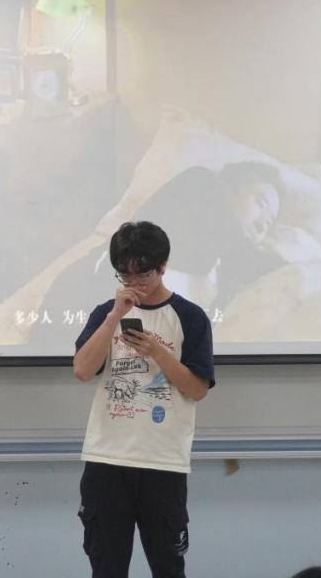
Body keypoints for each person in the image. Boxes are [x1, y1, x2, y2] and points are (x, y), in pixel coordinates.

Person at [72, 221, 215, 578]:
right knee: (106, 568)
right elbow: (83, 370)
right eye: (125, 275)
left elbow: (197, 389)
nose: (134, 283)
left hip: (163, 462)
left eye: (143, 274)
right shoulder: (106, 313)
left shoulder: (190, 317)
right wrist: (114, 317)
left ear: (163, 266)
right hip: (107, 459)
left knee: (168, 568)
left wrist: (157, 352)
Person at [34, 161, 284, 343]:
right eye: (260, 202)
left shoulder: (226, 274)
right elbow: (249, 257)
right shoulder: (200, 184)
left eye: (270, 223)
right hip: (82, 312)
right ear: (230, 186)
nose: (263, 225)